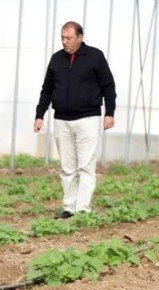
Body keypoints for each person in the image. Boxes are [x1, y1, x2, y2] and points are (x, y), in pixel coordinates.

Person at [34, 21, 116, 219]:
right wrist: (40, 114)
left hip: (88, 119)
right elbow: (47, 89)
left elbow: (108, 85)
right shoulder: (56, 59)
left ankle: (83, 209)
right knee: (67, 167)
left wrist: (110, 112)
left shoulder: (95, 56)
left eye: (69, 38)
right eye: (62, 37)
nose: (65, 41)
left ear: (80, 37)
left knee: (85, 165)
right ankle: (69, 208)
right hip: (61, 120)